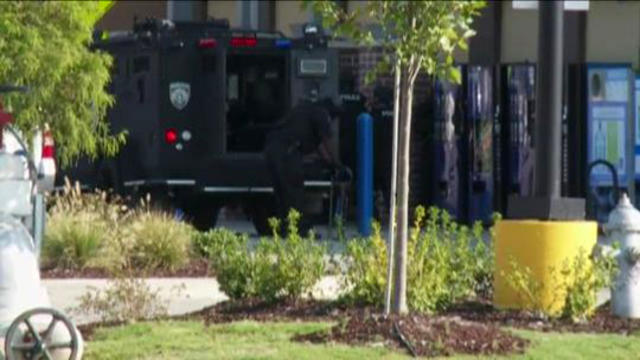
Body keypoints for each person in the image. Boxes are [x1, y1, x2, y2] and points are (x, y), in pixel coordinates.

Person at [264, 91, 344, 234]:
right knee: (294, 190)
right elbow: (327, 142)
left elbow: (320, 147)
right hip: (287, 152)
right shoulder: (322, 114)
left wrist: (330, 162)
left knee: (282, 192)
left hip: (272, 150)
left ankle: (284, 228)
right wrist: (338, 164)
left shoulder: (306, 109)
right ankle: (298, 228)